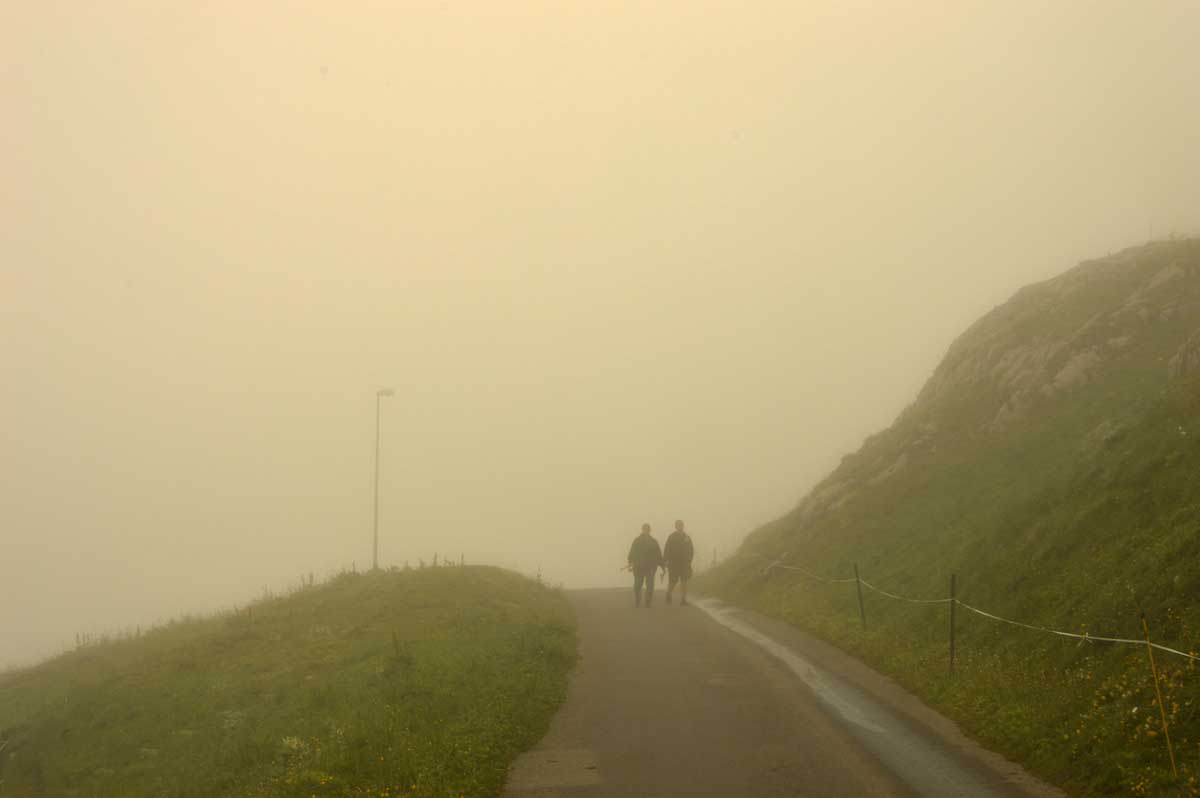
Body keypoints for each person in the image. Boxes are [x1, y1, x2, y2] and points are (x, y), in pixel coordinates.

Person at [627, 523, 664, 608]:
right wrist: (630, 562)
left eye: (647, 529)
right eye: (645, 529)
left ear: (649, 530)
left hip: (651, 567)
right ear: (642, 530)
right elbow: (632, 552)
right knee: (637, 585)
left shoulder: (654, 542)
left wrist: (662, 565)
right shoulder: (637, 541)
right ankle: (638, 600)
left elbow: (658, 554)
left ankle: (648, 602)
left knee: (650, 585)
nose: (646, 531)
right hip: (638, 566)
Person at [663, 519, 695, 606]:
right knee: (673, 581)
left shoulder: (687, 537)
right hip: (673, 563)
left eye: (681, 525)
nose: (680, 527)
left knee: (684, 581)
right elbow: (667, 549)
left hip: (684, 563)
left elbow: (691, 549)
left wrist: (689, 560)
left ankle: (683, 599)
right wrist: (665, 561)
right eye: (678, 525)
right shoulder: (671, 537)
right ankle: (668, 593)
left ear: (683, 526)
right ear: (676, 527)